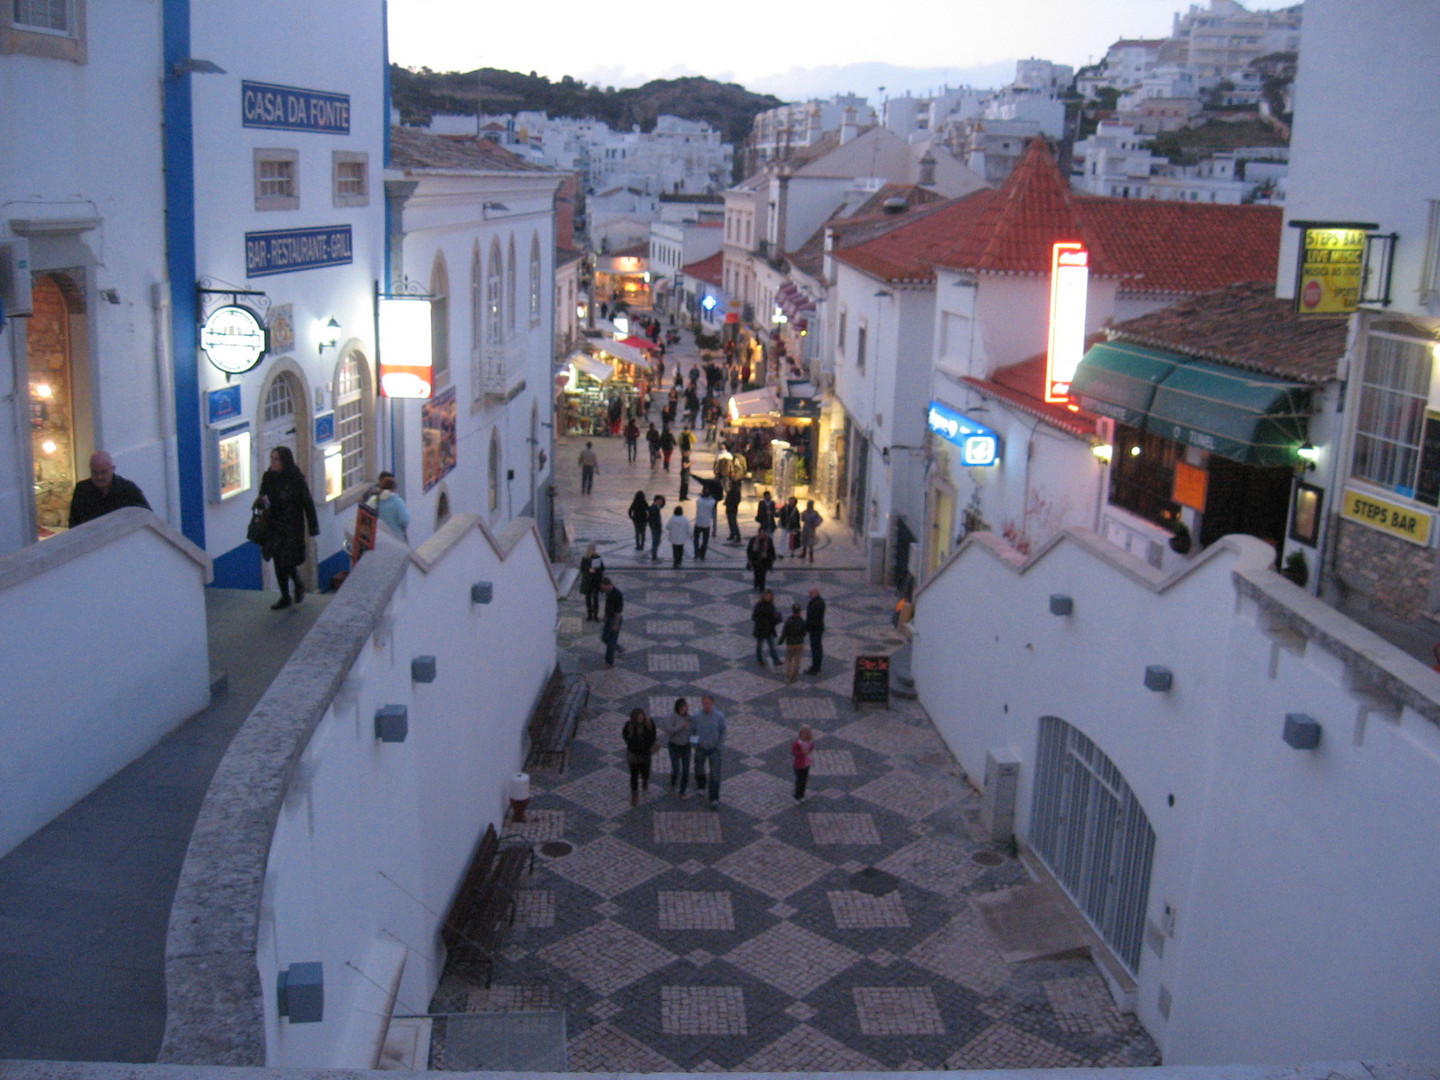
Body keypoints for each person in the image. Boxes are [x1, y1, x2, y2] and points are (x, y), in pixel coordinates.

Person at [256, 445, 319, 611]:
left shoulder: (296, 478)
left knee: (288, 560)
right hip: (274, 525)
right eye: (272, 458)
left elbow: (307, 503)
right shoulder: (268, 477)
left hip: (292, 526)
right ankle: (285, 595)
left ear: (284, 460)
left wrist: (313, 527)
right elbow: (262, 496)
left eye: (276, 459)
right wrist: (262, 502)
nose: (273, 462)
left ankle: (298, 583)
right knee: (278, 561)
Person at [68, 450, 150, 528]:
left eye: (103, 472)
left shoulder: (128, 489)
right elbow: (74, 521)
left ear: (113, 469)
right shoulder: (82, 489)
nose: (99, 477)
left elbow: (146, 515)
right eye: (95, 472)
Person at [690, 694, 727, 808]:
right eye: (704, 703)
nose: (706, 705)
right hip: (701, 748)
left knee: (715, 775)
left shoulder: (719, 716)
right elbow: (693, 731)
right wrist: (694, 744)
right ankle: (701, 785)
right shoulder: (697, 716)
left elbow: (723, 731)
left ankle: (714, 798)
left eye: (708, 703)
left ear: (712, 703)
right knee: (699, 770)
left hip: (714, 749)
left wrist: (719, 746)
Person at [622, 707, 658, 807]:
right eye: (638, 718)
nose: (640, 719)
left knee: (645, 771)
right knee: (634, 775)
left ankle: (645, 781)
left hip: (646, 753)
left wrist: (650, 745)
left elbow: (653, 735)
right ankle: (634, 794)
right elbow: (625, 735)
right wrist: (631, 744)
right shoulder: (629, 726)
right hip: (633, 754)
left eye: (641, 717)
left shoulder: (649, 723)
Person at [664, 697, 693, 799]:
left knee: (686, 770)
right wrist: (681, 725)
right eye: (685, 706)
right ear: (680, 707)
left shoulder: (689, 718)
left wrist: (696, 742)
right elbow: (669, 730)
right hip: (674, 746)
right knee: (676, 768)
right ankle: (673, 782)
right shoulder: (671, 717)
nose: (687, 708)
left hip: (686, 746)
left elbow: (693, 732)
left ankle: (682, 791)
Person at [372, 473, 410, 542]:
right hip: (396, 538)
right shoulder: (397, 502)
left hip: (379, 538)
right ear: (393, 488)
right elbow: (405, 520)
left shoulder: (374, 500)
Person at [751, 589, 781, 668]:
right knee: (759, 646)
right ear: (763, 596)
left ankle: (776, 660)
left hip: (769, 629)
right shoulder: (759, 605)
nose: (768, 598)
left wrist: (777, 618)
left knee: (772, 646)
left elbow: (773, 617)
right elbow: (754, 617)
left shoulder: (771, 605)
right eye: (767, 596)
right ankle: (760, 659)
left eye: (770, 596)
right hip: (761, 629)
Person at [781, 602, 809, 683]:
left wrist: (782, 640)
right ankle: (795, 676)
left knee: (789, 660)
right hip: (799, 643)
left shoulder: (789, 621)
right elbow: (804, 632)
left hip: (790, 643)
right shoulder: (802, 621)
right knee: (797, 660)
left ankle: (788, 676)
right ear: (800, 611)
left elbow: (784, 632)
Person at [600, 577, 624, 667]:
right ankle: (618, 648)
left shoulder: (617, 595)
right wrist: (605, 616)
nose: (602, 589)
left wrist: (616, 624)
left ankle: (609, 663)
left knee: (610, 642)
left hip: (614, 620)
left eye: (603, 587)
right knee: (604, 638)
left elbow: (618, 611)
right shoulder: (608, 593)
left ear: (608, 585)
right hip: (609, 618)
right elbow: (608, 606)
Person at [579, 543, 605, 621]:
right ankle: (589, 614)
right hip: (588, 581)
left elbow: (602, 568)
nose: (594, 551)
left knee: (596, 598)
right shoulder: (585, 559)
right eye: (593, 549)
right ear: (589, 550)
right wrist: (588, 570)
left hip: (596, 581)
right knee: (588, 599)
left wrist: (597, 570)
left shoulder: (598, 557)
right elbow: (582, 569)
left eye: (595, 549)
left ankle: (595, 615)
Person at [791, 725, 816, 801]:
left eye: (807, 734)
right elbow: (794, 752)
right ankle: (797, 795)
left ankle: (802, 794)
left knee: (804, 779)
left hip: (806, 764)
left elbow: (811, 748)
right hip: (798, 765)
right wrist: (802, 753)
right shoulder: (797, 743)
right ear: (800, 734)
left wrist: (808, 752)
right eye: (804, 734)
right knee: (799, 780)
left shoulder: (809, 743)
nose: (806, 735)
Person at [806, 586, 827, 674]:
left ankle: (815, 667)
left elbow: (814, 618)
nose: (809, 595)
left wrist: (808, 626)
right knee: (817, 647)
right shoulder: (818, 602)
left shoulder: (817, 603)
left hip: (815, 629)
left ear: (816, 593)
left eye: (811, 593)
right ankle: (816, 666)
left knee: (815, 648)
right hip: (817, 628)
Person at [666, 505, 692, 569]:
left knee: (675, 550)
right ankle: (679, 561)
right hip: (682, 538)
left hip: (674, 538)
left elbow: (667, 527)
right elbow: (689, 528)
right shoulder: (685, 519)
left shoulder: (671, 518)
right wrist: (690, 534)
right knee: (680, 550)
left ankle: (675, 562)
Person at [692, 488, 716, 559]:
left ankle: (696, 552)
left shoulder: (699, 501)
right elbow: (713, 499)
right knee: (705, 540)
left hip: (698, 523)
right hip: (706, 524)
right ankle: (702, 553)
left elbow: (699, 497)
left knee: (696, 539)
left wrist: (701, 495)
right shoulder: (712, 502)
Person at [647, 493, 666, 560]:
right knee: (656, 541)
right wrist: (654, 525)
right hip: (656, 527)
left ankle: (654, 554)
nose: (661, 502)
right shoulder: (653, 508)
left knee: (656, 541)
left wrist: (664, 500)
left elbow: (663, 505)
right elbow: (651, 518)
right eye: (660, 500)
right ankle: (654, 555)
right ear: (656, 500)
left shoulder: (656, 507)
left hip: (655, 527)